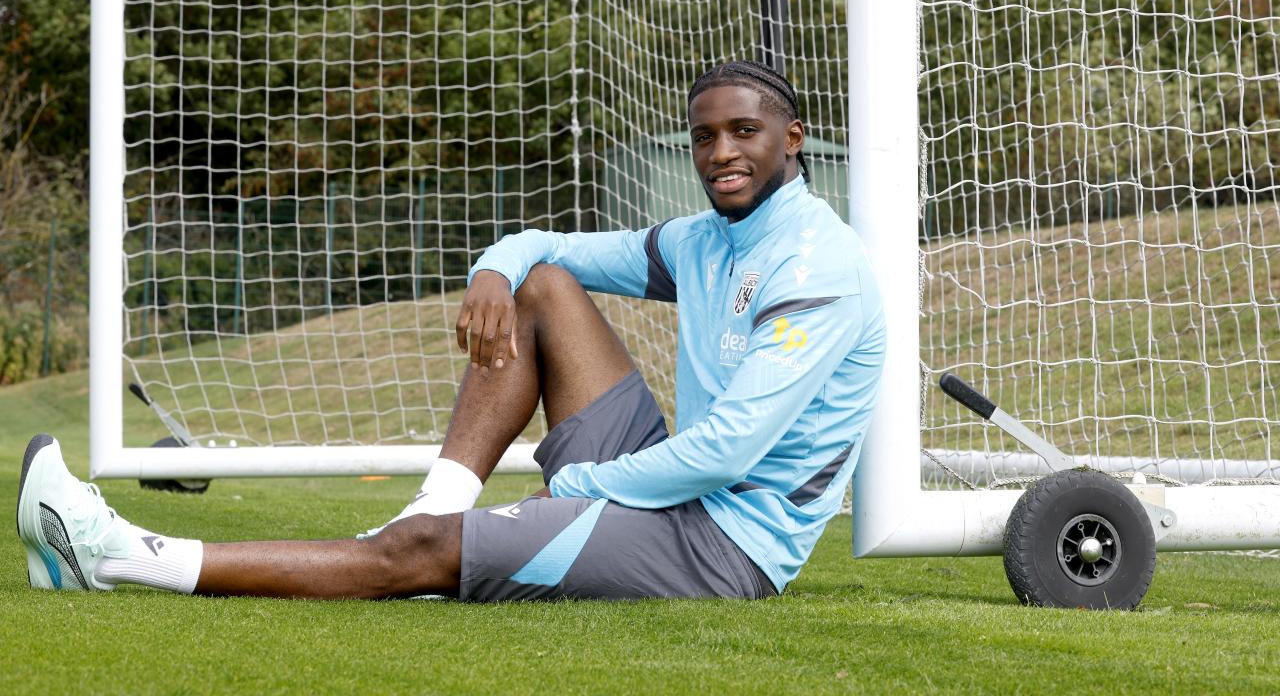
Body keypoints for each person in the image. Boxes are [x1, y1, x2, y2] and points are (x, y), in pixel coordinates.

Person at [17, 60, 886, 602]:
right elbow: (542, 251)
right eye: (705, 136)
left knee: (419, 557)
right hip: (677, 485)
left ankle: (124, 557)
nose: (722, 152)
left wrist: (588, 481)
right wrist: (492, 273)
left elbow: (731, 454)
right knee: (542, 285)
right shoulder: (699, 242)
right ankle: (440, 505)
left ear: (793, 138)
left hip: (725, 547)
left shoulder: (819, 267)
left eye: (745, 131)